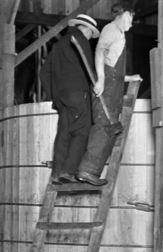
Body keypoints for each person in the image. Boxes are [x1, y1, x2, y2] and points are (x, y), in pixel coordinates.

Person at [76, 1, 139, 186]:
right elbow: (100, 53)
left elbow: (113, 66)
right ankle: (86, 170)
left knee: (111, 128)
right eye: (132, 18)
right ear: (126, 14)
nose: (132, 23)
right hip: (108, 85)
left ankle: (92, 171)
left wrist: (128, 78)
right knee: (104, 125)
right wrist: (101, 80)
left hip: (114, 84)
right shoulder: (111, 29)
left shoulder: (118, 33)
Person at [40, 14, 99, 185]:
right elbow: (89, 68)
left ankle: (57, 173)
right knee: (81, 131)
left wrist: (54, 96)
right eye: (90, 34)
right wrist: (96, 87)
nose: (89, 38)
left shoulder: (58, 45)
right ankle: (68, 171)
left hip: (61, 97)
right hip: (78, 93)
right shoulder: (80, 38)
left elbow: (44, 73)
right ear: (87, 29)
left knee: (64, 133)